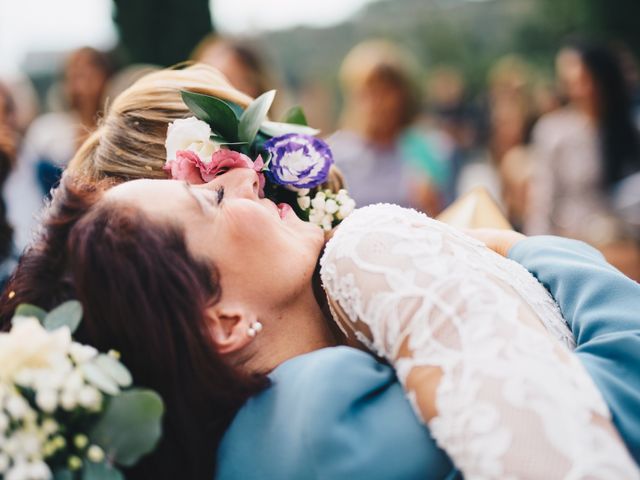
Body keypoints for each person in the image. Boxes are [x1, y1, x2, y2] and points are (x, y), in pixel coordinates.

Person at [4, 65, 639, 478]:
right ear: (221, 317)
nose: (249, 173)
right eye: (210, 195)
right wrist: (521, 251)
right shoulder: (324, 413)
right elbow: (613, 401)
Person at [526, 38, 640, 245]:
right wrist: (536, 249)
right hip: (573, 246)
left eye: (584, 80)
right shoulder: (553, 131)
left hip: (623, 247)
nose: (579, 91)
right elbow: (542, 201)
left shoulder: (631, 130)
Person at [329, 40, 449, 215]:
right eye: (367, 91)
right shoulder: (334, 155)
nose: (376, 102)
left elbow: (445, 218)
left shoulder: (427, 151)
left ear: (403, 96)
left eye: (385, 91)